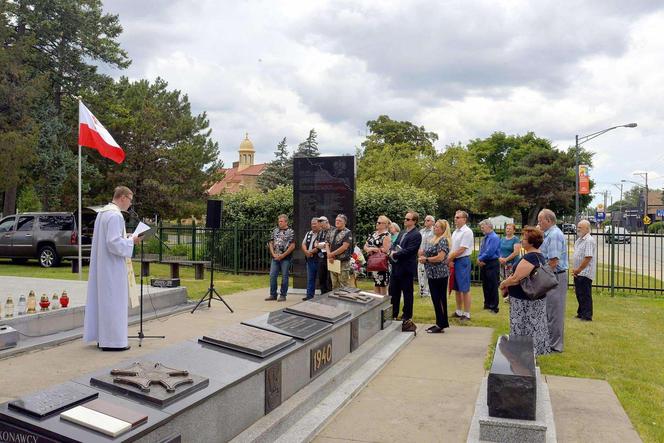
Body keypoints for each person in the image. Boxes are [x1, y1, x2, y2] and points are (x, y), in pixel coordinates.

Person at [83, 186, 141, 351]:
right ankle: (114, 341)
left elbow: (110, 239)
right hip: (112, 267)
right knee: (114, 302)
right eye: (130, 200)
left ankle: (104, 338)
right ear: (122, 197)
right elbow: (113, 243)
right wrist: (132, 241)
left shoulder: (103, 213)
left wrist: (126, 238)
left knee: (105, 302)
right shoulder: (115, 216)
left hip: (104, 266)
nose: (130, 204)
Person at [499, 226, 551, 356]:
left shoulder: (531, 257)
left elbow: (516, 278)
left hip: (524, 301)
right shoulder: (537, 255)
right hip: (531, 300)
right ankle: (528, 355)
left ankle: (522, 356)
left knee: (523, 326)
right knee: (533, 326)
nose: (522, 240)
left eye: (525, 238)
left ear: (532, 241)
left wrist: (503, 283)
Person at [537, 208, 568, 352]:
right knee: (548, 311)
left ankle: (555, 345)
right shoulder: (547, 234)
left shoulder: (554, 235)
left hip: (555, 276)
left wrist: (540, 275)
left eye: (540, 220)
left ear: (548, 220)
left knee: (555, 312)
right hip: (551, 275)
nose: (538, 223)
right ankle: (548, 341)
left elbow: (553, 261)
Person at [419, 219, 451, 333]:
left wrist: (426, 259)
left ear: (443, 229)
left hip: (440, 274)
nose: (435, 228)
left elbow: (440, 257)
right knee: (435, 299)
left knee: (440, 299)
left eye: (437, 227)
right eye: (435, 226)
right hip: (432, 274)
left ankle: (441, 323)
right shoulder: (434, 239)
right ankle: (439, 322)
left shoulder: (443, 240)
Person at [389, 211, 422, 322]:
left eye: (408, 219)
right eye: (405, 218)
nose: (405, 220)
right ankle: (393, 313)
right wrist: (392, 251)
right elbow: (394, 244)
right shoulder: (402, 232)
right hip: (396, 266)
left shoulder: (416, 234)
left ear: (414, 221)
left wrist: (396, 254)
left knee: (407, 293)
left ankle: (406, 315)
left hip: (406, 268)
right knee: (394, 291)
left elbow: (410, 250)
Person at [447, 210, 474, 321]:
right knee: (457, 288)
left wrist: (449, 258)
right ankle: (458, 311)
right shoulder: (456, 232)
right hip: (455, 261)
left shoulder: (467, 231)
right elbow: (453, 248)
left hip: (462, 261)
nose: (455, 219)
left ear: (464, 219)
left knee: (464, 288)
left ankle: (467, 313)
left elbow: (462, 249)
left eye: (458, 217)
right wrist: (451, 259)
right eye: (455, 217)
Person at [266, 214, 295, 301]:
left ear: (286, 222)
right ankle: (273, 294)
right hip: (275, 258)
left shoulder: (290, 231)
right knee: (272, 276)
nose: (279, 223)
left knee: (285, 276)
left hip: (285, 258)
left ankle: (283, 295)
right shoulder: (275, 231)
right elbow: (271, 243)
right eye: (279, 221)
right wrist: (273, 254)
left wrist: (283, 255)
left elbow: (292, 245)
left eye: (281, 221)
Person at [572, 219, 596, 321]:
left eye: (580, 227)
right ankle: (581, 312)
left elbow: (588, 257)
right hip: (578, 272)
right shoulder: (579, 240)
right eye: (578, 227)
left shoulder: (589, 240)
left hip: (585, 272)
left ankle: (587, 315)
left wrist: (579, 269)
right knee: (579, 293)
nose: (578, 229)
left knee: (585, 294)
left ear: (587, 228)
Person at [364, 215, 392, 295]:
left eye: (379, 223)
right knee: (376, 284)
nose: (377, 224)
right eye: (377, 222)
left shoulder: (386, 235)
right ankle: (377, 305)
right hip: (373, 263)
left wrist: (372, 249)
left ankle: (383, 305)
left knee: (382, 285)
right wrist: (370, 249)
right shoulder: (373, 233)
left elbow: (386, 250)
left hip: (382, 263)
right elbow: (365, 246)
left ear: (384, 224)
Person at [478, 219, 501, 313]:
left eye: (483, 227)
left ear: (489, 226)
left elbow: (490, 252)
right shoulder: (485, 238)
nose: (481, 228)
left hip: (492, 263)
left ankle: (494, 306)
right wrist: (479, 258)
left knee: (493, 285)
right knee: (486, 285)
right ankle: (487, 304)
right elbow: (482, 250)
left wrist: (480, 259)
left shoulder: (494, 237)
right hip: (484, 263)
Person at [326, 214, 353, 288]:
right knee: (334, 284)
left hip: (343, 262)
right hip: (333, 261)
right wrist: (329, 254)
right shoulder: (332, 231)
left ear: (344, 222)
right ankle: (335, 299)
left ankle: (344, 299)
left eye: (339, 221)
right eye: (336, 220)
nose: (337, 222)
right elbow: (327, 243)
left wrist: (331, 254)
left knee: (343, 285)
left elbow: (344, 247)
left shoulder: (348, 232)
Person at [301, 217, 320, 300]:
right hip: (310, 260)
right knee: (310, 278)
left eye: (315, 223)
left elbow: (319, 246)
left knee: (322, 279)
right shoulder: (308, 233)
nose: (313, 225)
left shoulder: (322, 234)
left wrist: (310, 252)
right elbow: (303, 244)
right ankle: (309, 296)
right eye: (312, 224)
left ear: (319, 224)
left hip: (319, 260)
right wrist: (306, 252)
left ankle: (324, 296)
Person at [417, 215, 435, 297]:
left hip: (430, 256)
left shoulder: (434, 231)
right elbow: (418, 243)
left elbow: (434, 243)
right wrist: (418, 251)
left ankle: (429, 292)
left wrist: (426, 252)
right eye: (425, 220)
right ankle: (422, 291)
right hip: (420, 256)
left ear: (432, 222)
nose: (426, 222)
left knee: (429, 274)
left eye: (428, 220)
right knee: (421, 273)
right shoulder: (421, 231)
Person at [316, 216, 333, 294]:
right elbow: (316, 242)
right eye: (320, 225)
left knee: (330, 278)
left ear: (327, 222)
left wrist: (326, 246)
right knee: (321, 277)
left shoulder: (334, 230)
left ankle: (329, 295)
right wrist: (318, 245)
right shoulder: (320, 231)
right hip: (321, 257)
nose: (321, 227)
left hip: (330, 257)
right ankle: (323, 293)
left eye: (322, 225)